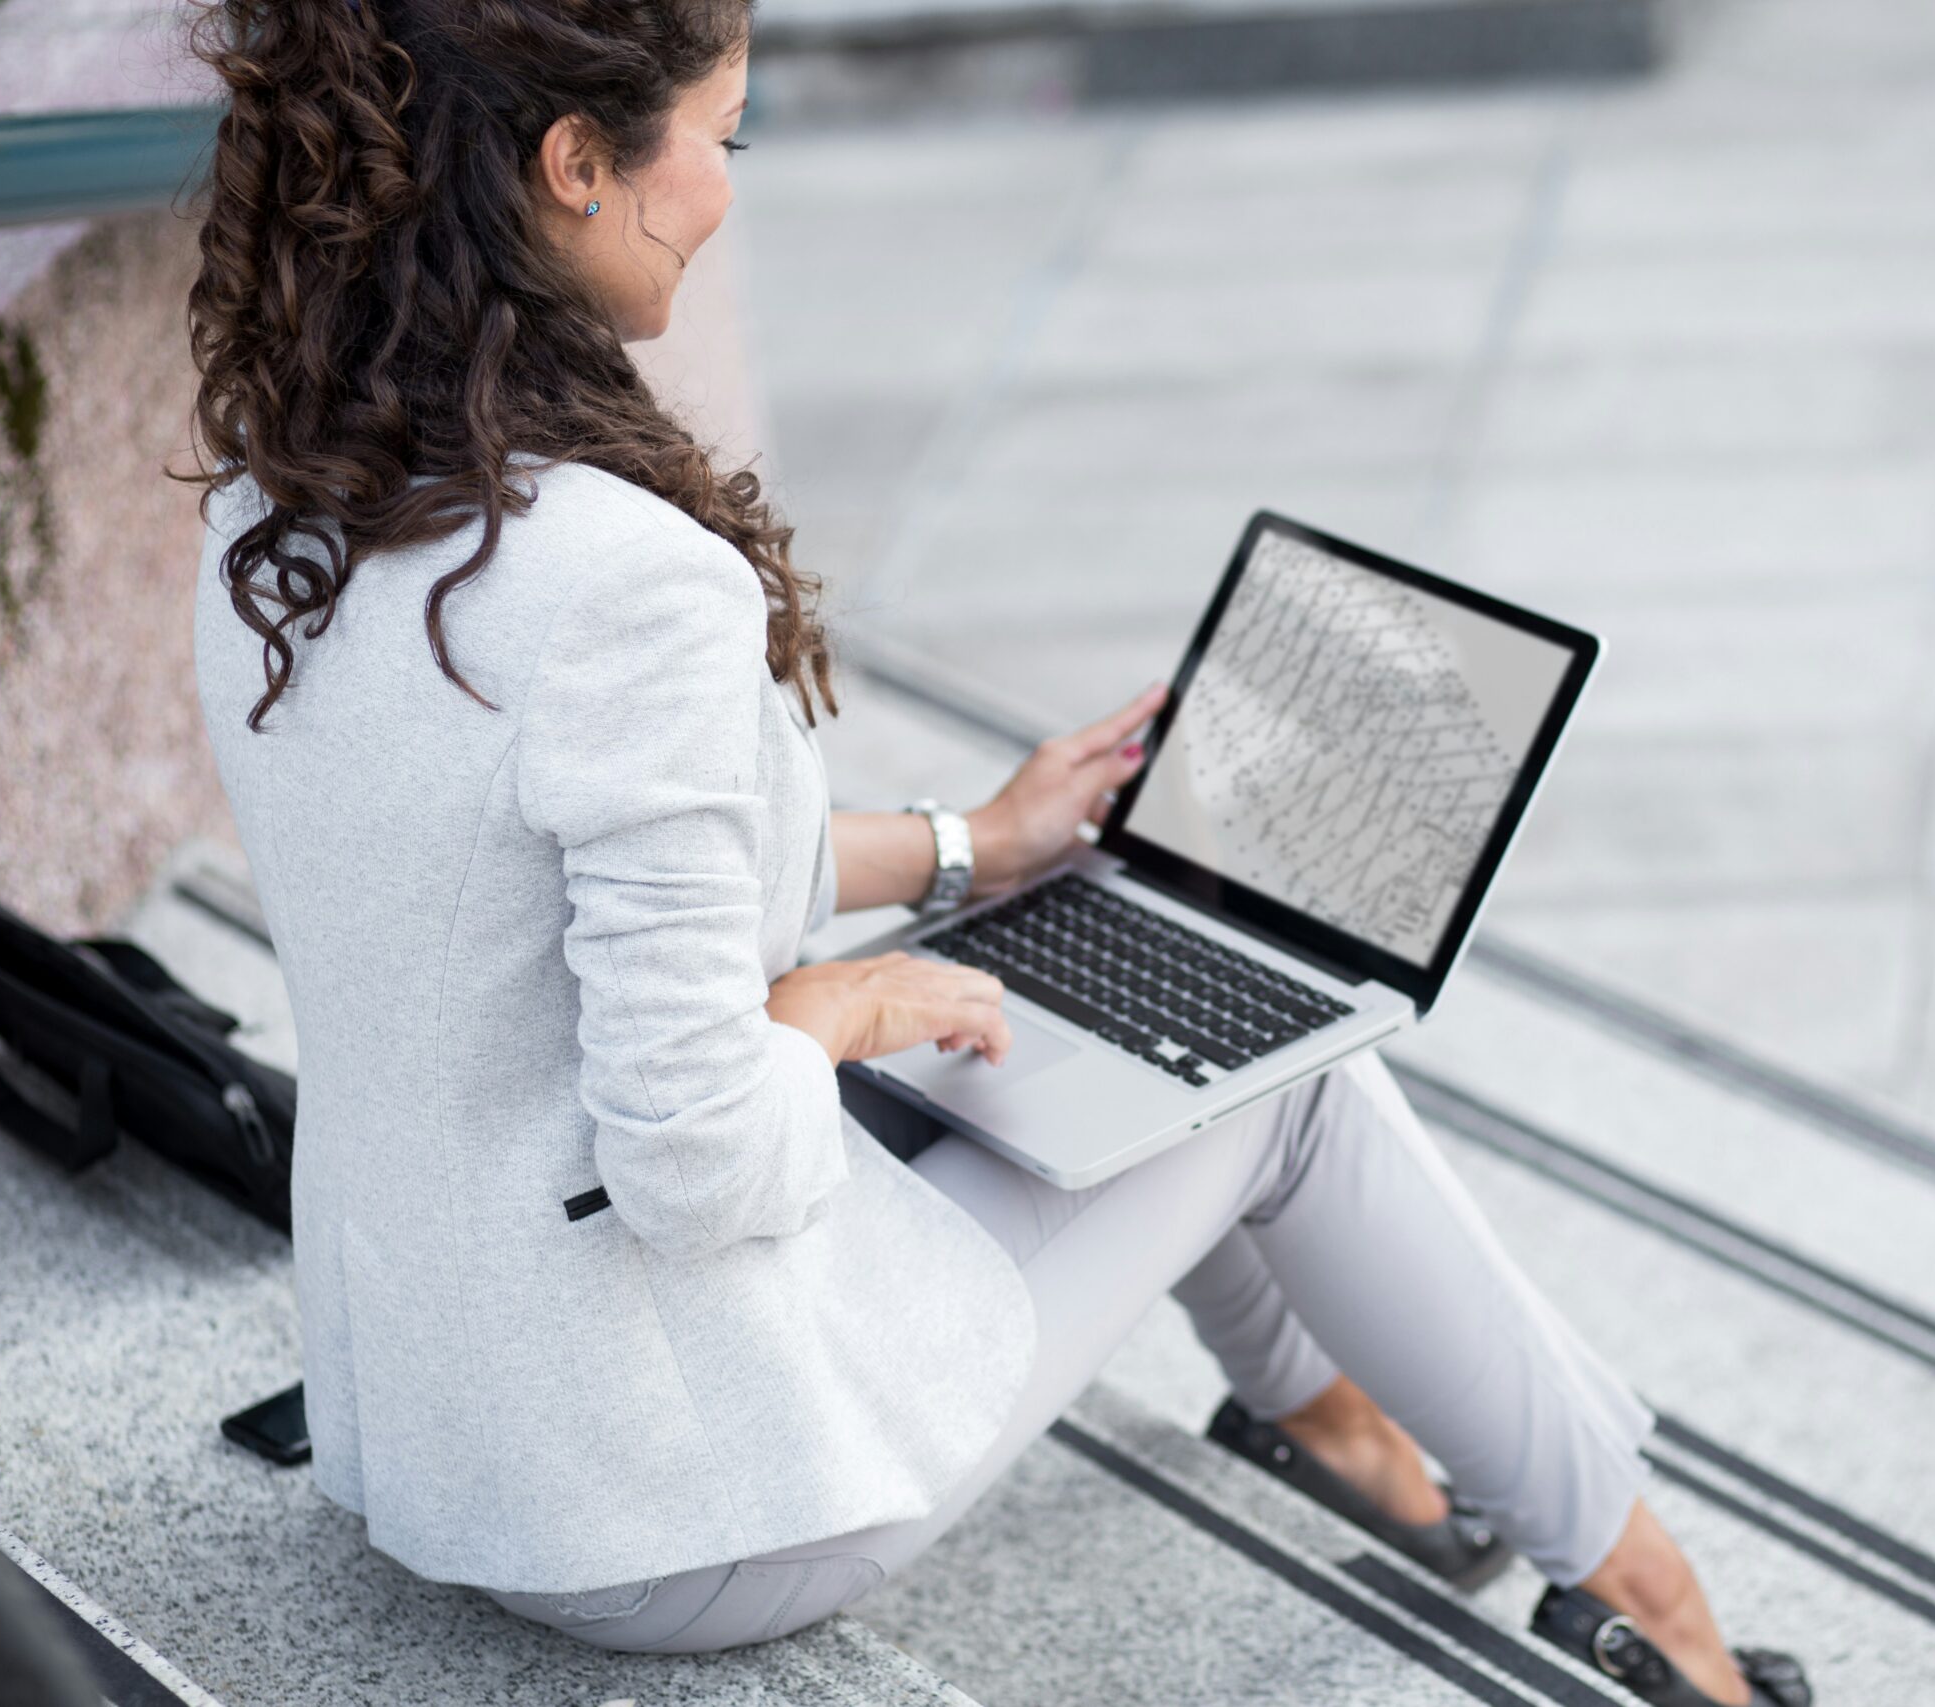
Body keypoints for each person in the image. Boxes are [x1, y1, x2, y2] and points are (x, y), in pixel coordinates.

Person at [179, 3, 1806, 1703]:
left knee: (1134, 1041)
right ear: (578, 164)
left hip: (439, 1425)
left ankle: (1338, 1435)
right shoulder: (624, 586)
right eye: (724, 135)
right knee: (1286, 1082)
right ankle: (1654, 1604)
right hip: (659, 1508)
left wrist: (979, 844)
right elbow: (698, 1161)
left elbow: (561, 883)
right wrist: (839, 1012)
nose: (729, 184)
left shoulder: (285, 506)